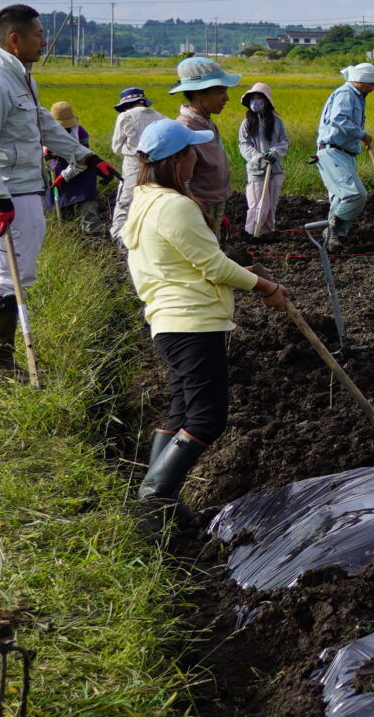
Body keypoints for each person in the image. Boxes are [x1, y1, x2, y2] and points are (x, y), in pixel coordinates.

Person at [123, 116, 288, 502]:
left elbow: (190, 261)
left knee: (181, 413)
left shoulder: (144, 200)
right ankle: (152, 499)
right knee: (207, 419)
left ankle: (162, 503)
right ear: (178, 159)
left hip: (170, 321)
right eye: (192, 152)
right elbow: (213, 264)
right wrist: (267, 286)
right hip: (191, 323)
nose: (197, 158)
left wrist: (243, 275)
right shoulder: (175, 207)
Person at [0, 4, 108, 378]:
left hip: (25, 190)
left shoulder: (21, 77)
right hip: (8, 194)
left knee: (9, 274)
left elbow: (41, 123)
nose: (44, 41)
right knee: (8, 275)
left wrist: (85, 156)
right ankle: (0, 361)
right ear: (16, 39)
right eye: (39, 35)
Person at [169, 56, 238, 229]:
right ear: (198, 92)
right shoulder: (185, 129)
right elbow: (181, 180)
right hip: (200, 208)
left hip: (215, 203)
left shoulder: (206, 121)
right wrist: (200, 214)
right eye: (220, 92)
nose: (226, 98)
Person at [315, 63, 374, 245]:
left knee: (340, 198)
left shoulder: (357, 96)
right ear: (361, 81)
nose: (373, 88)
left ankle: (333, 241)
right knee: (355, 194)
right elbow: (339, 119)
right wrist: (362, 134)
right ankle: (332, 228)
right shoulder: (346, 94)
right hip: (333, 151)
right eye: (371, 84)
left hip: (345, 153)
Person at [108, 86, 160, 246]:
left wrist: (129, 150)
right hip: (156, 164)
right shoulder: (159, 117)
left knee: (126, 200)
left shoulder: (125, 116)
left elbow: (116, 147)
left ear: (126, 104)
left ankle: (119, 238)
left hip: (133, 165)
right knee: (151, 200)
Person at [238, 83, 290, 237]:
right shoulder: (247, 123)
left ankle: (268, 233)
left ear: (266, 101)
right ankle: (252, 234)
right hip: (257, 170)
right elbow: (244, 144)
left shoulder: (277, 122)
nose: (256, 102)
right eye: (253, 99)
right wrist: (257, 156)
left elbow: (284, 141)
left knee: (271, 206)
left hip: (275, 169)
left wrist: (275, 151)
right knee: (259, 205)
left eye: (259, 98)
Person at [45, 100, 104, 233]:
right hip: (56, 172)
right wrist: (47, 155)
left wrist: (63, 177)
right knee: (58, 208)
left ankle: (93, 238)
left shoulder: (80, 133)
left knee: (87, 209)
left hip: (81, 173)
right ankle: (66, 236)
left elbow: (83, 158)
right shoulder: (46, 132)